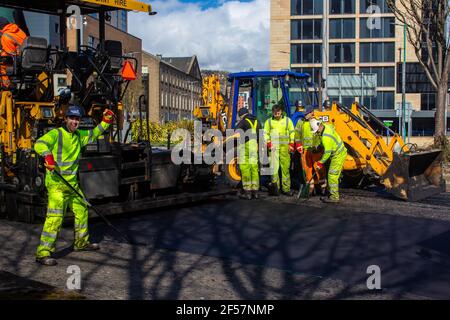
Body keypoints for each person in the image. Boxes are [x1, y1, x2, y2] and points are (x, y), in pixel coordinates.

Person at [34, 106, 115, 266]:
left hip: (71, 184)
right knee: (55, 217)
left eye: (77, 119)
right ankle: (43, 252)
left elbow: (94, 133)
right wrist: (48, 157)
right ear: (66, 119)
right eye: (72, 118)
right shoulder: (56, 134)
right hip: (57, 184)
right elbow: (39, 143)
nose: (74, 121)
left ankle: (81, 243)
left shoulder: (79, 136)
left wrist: (106, 121)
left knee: (81, 209)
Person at [310, 118, 347, 203]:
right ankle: (331, 192)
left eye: (316, 131)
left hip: (338, 155)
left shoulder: (326, 137)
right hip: (338, 152)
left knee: (332, 175)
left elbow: (327, 153)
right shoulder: (326, 126)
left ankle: (334, 197)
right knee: (332, 174)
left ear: (319, 126)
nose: (316, 133)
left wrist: (320, 162)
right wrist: (320, 146)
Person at [264, 104, 295, 196]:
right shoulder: (268, 122)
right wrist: (269, 143)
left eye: (278, 113)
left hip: (285, 149)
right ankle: (275, 189)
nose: (277, 115)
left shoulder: (287, 121)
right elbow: (265, 134)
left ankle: (286, 189)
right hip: (273, 149)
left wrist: (292, 143)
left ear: (281, 112)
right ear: (272, 113)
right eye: (275, 113)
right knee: (274, 170)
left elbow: (292, 132)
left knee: (285, 169)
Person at [294, 106, 326, 196]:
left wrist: (320, 147)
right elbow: (297, 134)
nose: (305, 115)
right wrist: (298, 144)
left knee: (319, 169)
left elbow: (322, 134)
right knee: (307, 170)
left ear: (312, 113)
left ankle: (323, 188)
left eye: (307, 114)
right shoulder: (301, 122)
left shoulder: (318, 121)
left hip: (316, 150)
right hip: (305, 150)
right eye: (304, 114)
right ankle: (310, 189)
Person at [235, 107, 261, 200]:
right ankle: (255, 192)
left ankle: (248, 193)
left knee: (245, 168)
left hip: (245, 146)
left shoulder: (243, 121)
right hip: (254, 146)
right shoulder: (257, 121)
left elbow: (236, 132)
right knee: (254, 168)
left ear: (241, 115)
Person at [0, 17, 27, 88]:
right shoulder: (19, 30)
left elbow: (10, 54)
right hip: (26, 58)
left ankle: (6, 86)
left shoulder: (5, 36)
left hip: (17, 59)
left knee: (2, 65)